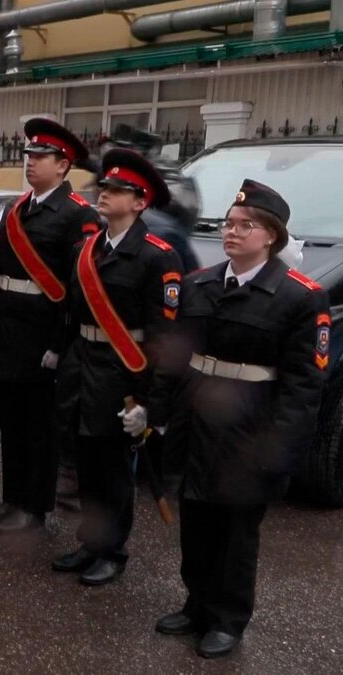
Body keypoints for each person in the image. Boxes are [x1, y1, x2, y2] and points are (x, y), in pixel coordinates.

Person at [155, 180, 327, 658]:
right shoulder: (199, 284)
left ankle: (228, 617)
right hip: (195, 419)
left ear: (270, 235)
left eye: (244, 225)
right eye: (228, 224)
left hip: (248, 429)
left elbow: (302, 388)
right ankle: (196, 603)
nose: (231, 232)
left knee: (235, 531)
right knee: (196, 520)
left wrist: (280, 450)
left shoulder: (298, 298)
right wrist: (157, 412)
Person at [51, 148, 184, 586]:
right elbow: (73, 314)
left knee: (113, 470)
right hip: (83, 365)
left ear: (140, 202)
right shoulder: (86, 249)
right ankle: (90, 541)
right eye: (104, 187)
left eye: (116, 190)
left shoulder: (157, 257)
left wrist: (150, 402)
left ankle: (112, 549)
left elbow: (164, 341)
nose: (104, 194)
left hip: (123, 375)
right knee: (85, 464)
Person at [0, 118, 101, 534]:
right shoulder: (16, 209)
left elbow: (78, 286)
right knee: (10, 421)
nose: (30, 163)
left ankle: (35, 506)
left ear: (63, 166)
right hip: (8, 328)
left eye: (41, 157)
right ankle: (12, 498)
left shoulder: (77, 215)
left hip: (43, 332)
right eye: (29, 156)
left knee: (38, 428)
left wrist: (58, 343)